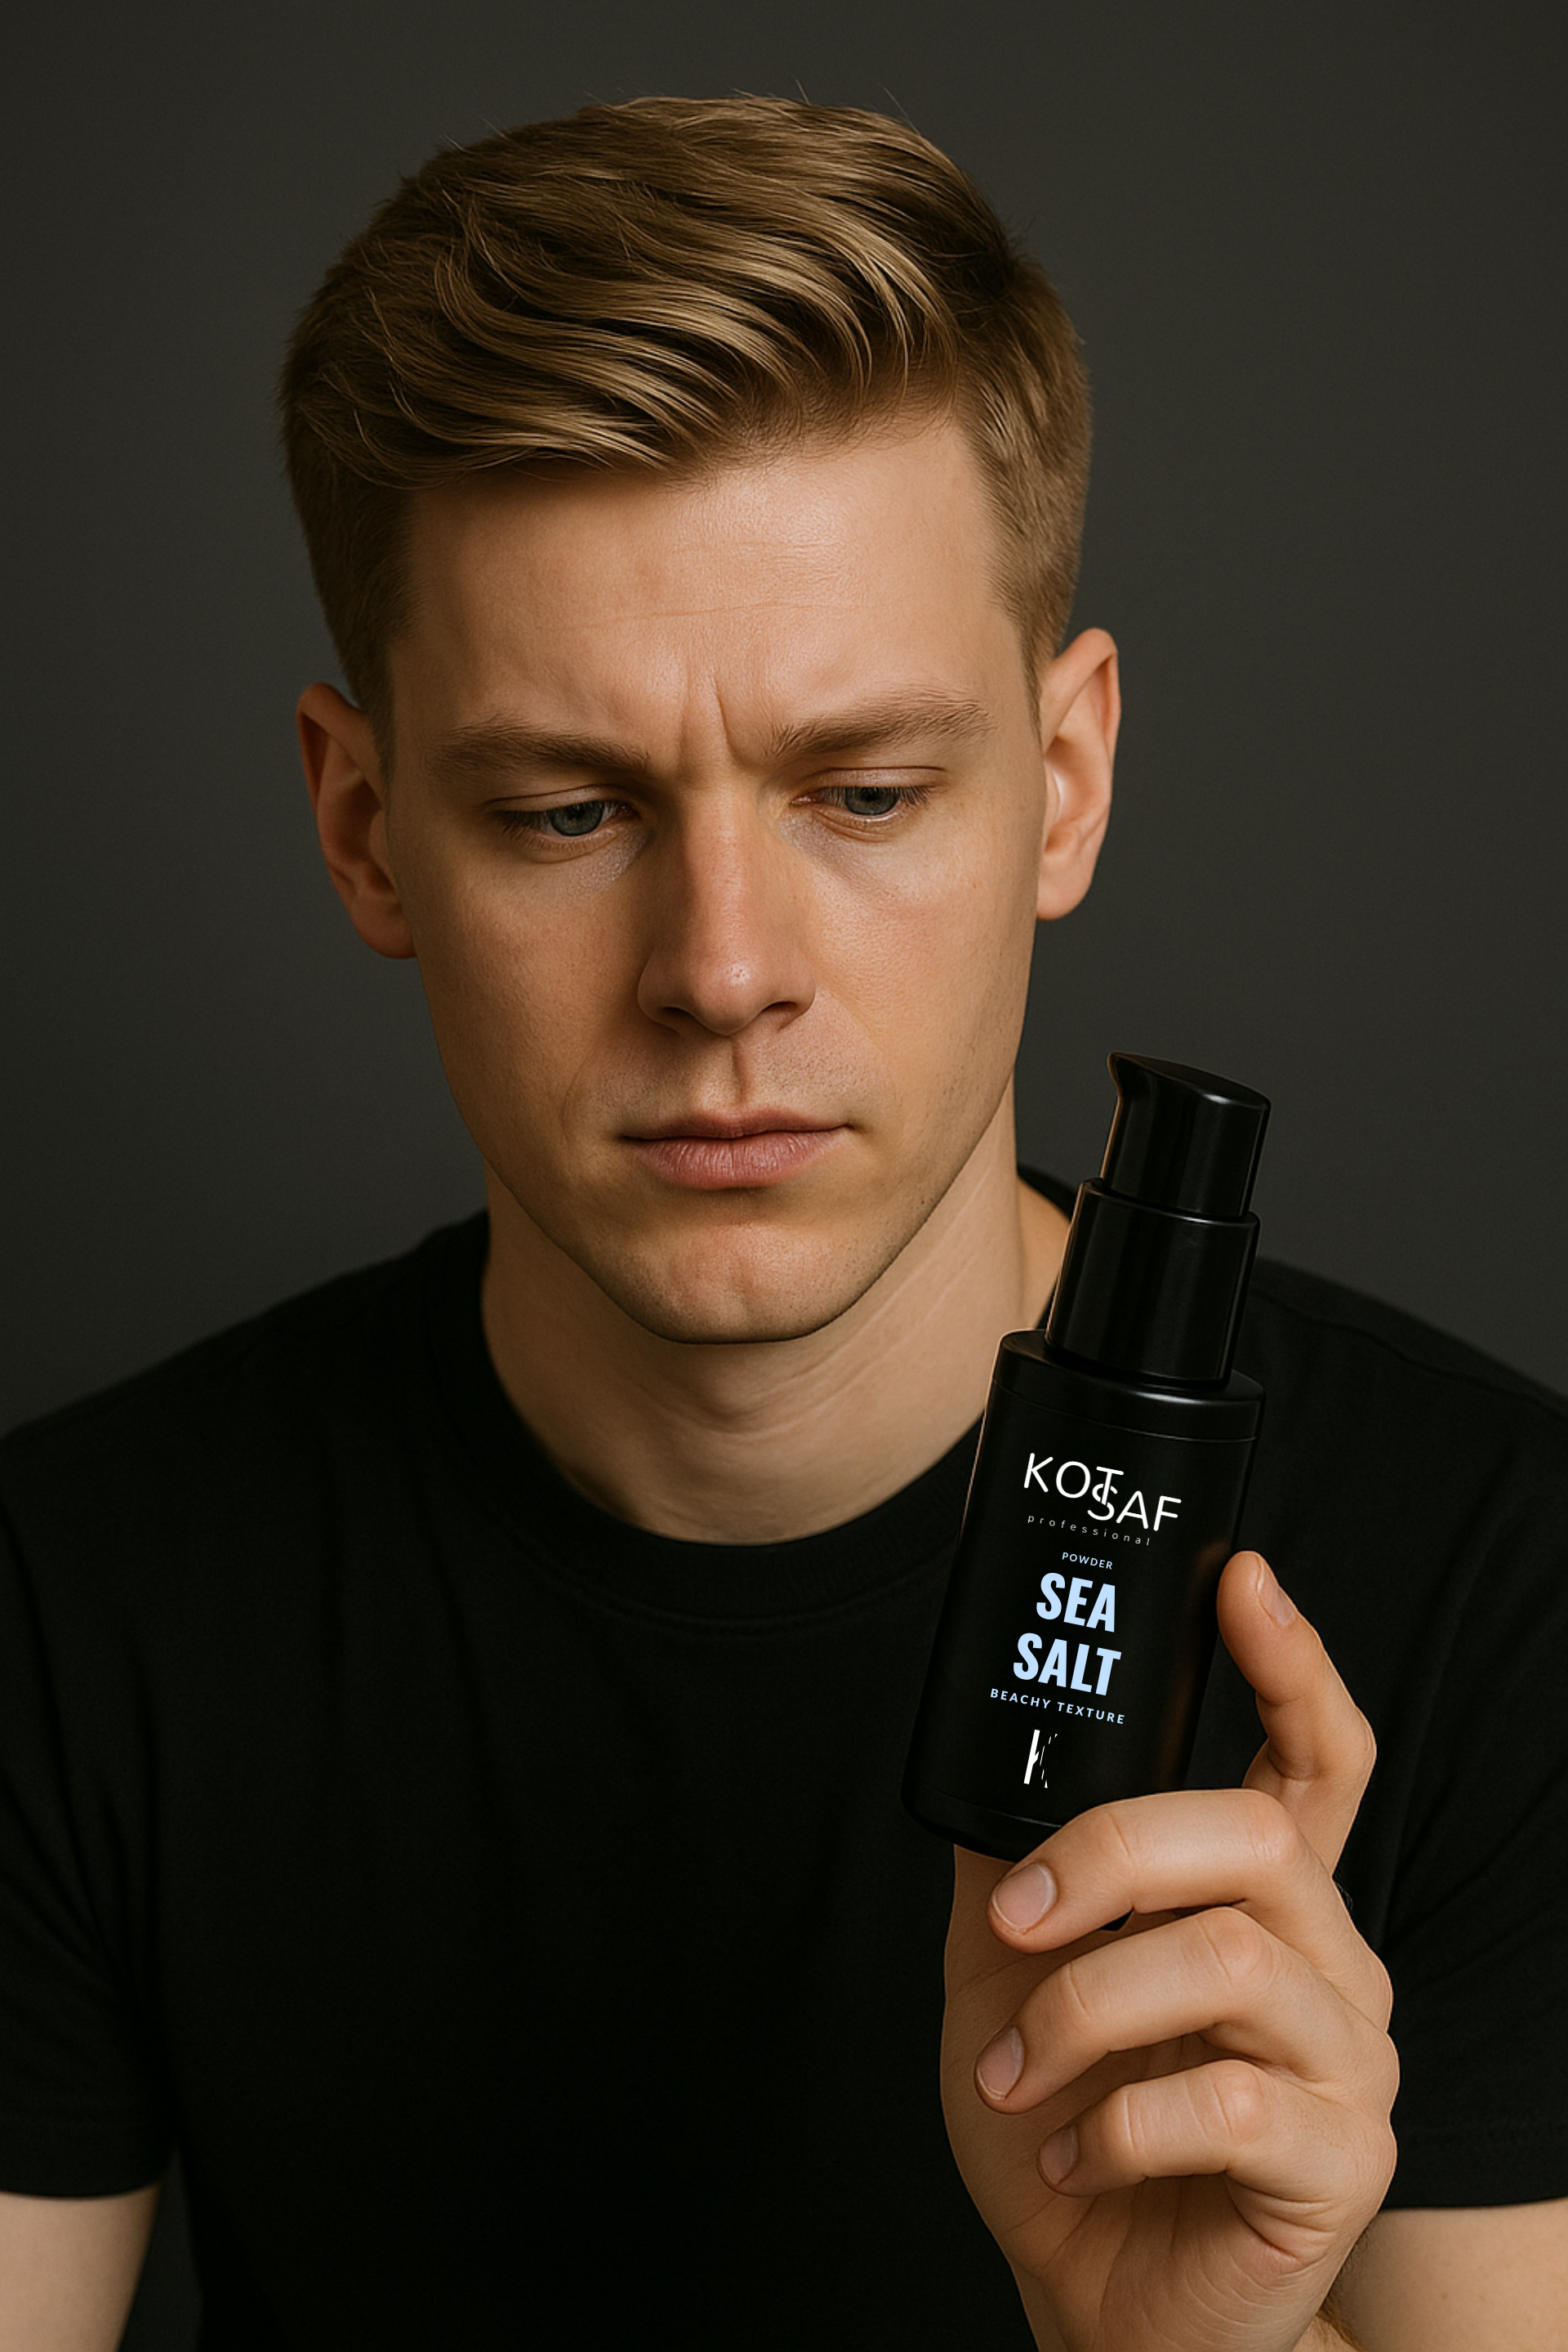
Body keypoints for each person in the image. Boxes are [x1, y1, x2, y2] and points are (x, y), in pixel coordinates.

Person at [0, 96, 1563, 2352]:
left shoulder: (1512, 1592)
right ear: (362, 827)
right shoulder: (67, 1604)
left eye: (866, 791)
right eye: (566, 810)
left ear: (1068, 782)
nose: (724, 969)